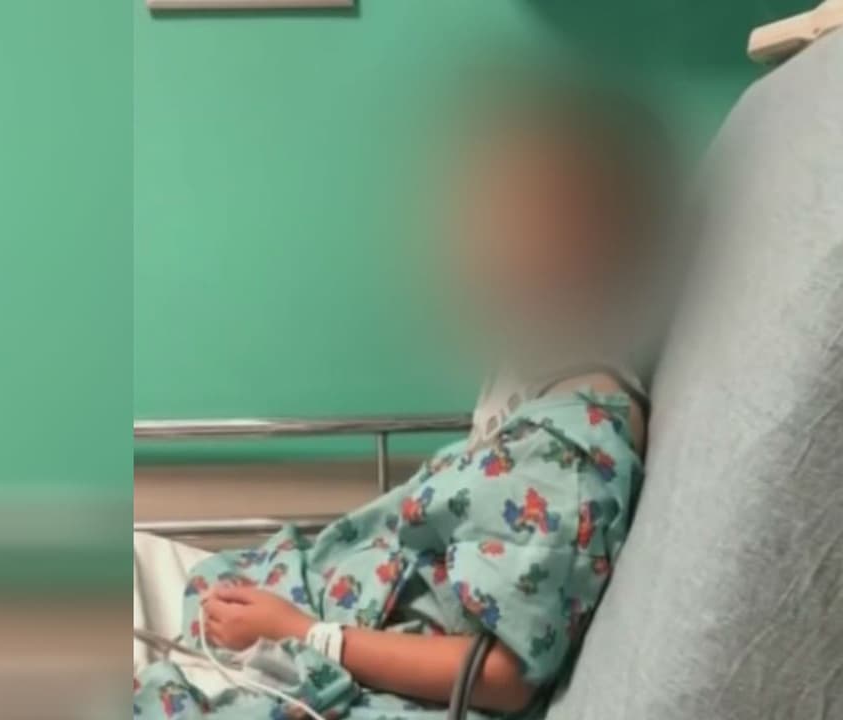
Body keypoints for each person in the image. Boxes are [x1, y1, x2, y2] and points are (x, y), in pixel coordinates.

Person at [134, 75, 675, 720]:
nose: (471, 242)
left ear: (595, 244)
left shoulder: (570, 446)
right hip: (362, 602)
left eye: (510, 216)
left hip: (401, 678)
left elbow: (503, 679)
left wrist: (306, 634)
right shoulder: (537, 372)